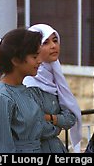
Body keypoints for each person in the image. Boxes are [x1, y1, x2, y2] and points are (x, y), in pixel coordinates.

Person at [0, 28, 61, 153]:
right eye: (34, 56)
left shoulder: (26, 91)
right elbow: (1, 149)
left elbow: (39, 128)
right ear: (16, 60)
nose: (39, 61)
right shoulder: (1, 97)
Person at [23, 24, 82, 153]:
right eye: (45, 42)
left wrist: (50, 118)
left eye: (55, 41)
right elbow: (37, 128)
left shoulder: (54, 77)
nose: (53, 46)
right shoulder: (29, 83)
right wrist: (58, 124)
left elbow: (71, 118)